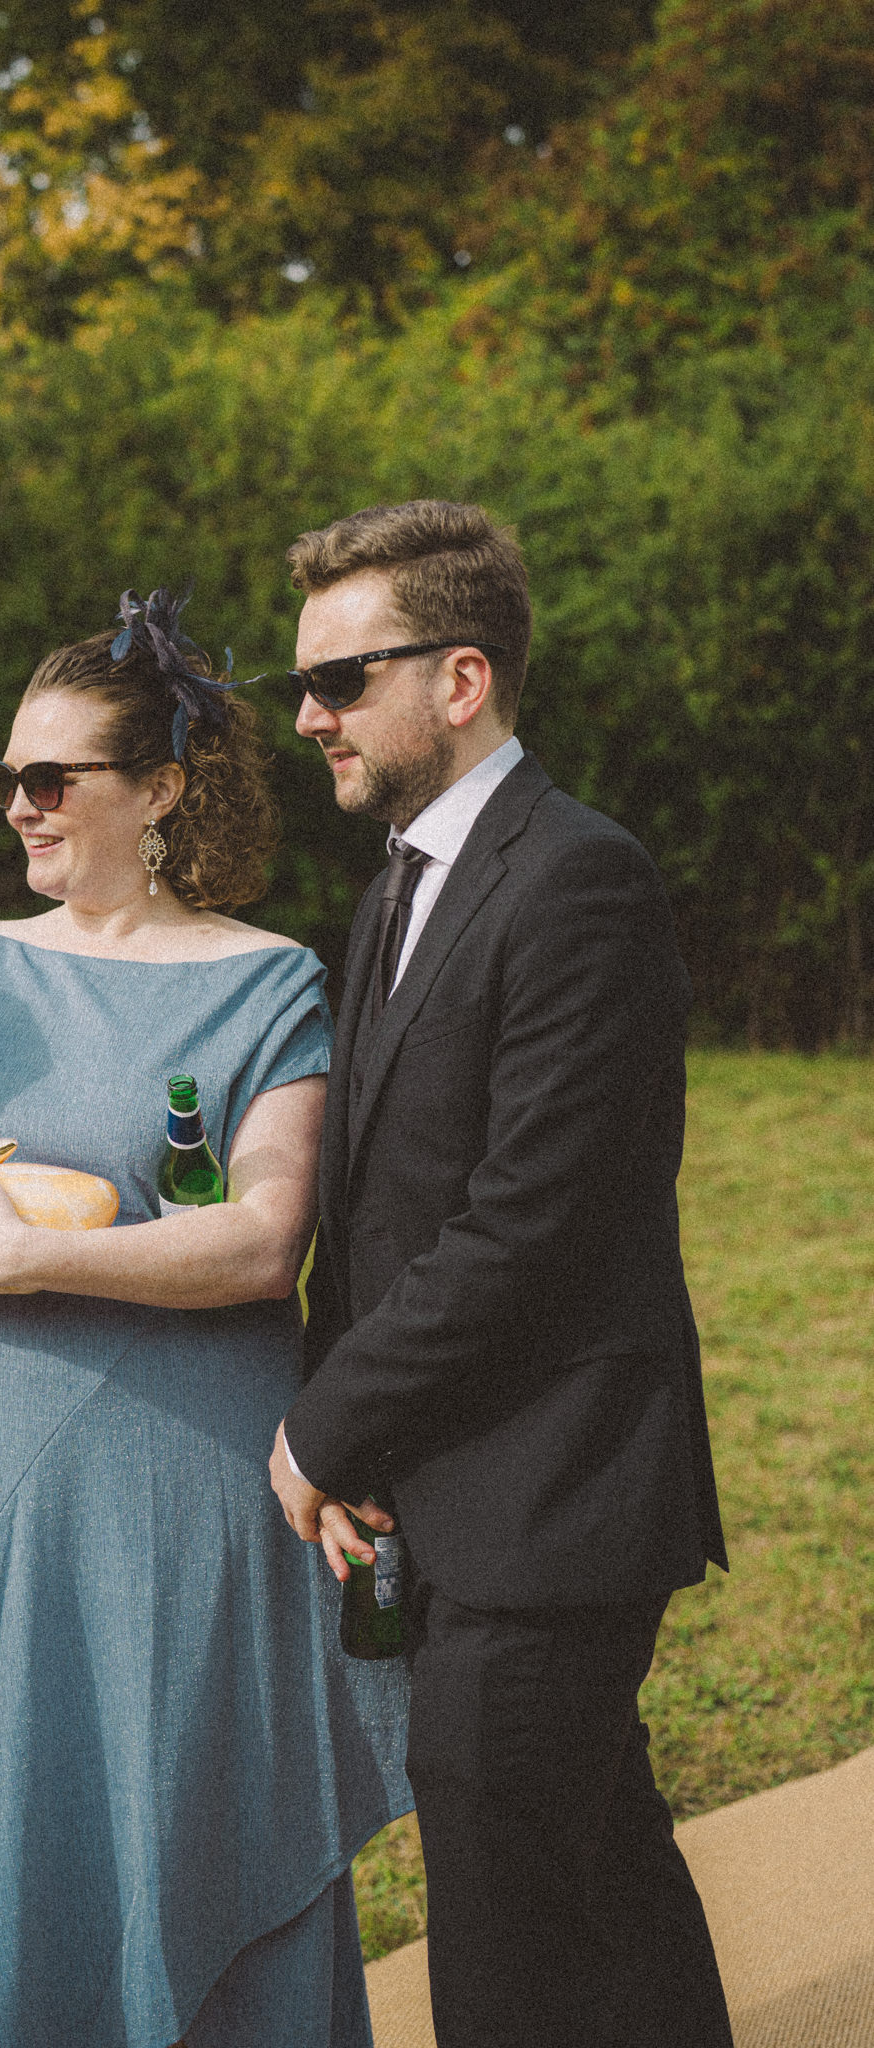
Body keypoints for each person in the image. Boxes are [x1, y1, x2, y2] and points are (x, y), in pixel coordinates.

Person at [0, 589, 411, 2048]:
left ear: (159, 789)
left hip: (168, 1486)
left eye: (53, 780)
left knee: (161, 1808)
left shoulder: (263, 981)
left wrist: (15, 1258)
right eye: (7, 780)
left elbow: (259, 1240)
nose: (21, 808)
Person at [267, 501, 735, 2048]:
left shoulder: (575, 880)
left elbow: (524, 1227)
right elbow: (382, 1198)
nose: (307, 717)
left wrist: (323, 1428)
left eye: (340, 680)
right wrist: (368, 1444)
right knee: (590, 1867)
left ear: (457, 680)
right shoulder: (399, 880)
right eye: (303, 685)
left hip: (560, 1485)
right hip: (455, 1485)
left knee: (504, 1916)